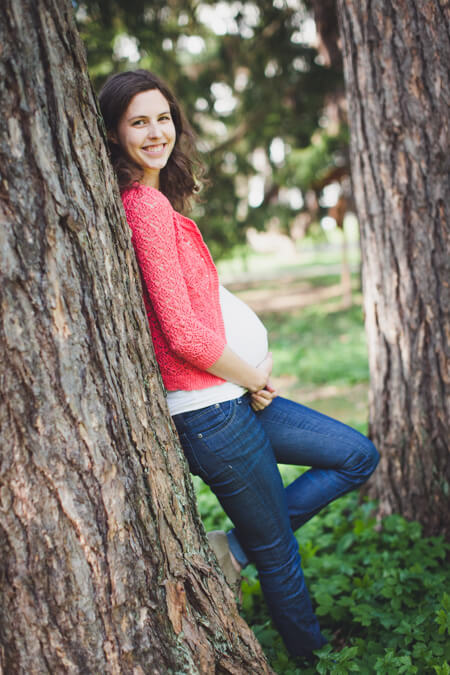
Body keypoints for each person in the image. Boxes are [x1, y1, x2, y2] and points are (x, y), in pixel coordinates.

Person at [98, 69, 379, 660]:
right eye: (138, 122)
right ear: (115, 132)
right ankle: (313, 659)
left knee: (356, 454)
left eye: (163, 117)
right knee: (281, 553)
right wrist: (251, 376)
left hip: (230, 399)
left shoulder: (157, 203)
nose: (156, 132)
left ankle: (236, 549)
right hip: (212, 412)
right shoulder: (144, 207)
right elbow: (180, 333)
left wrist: (245, 379)